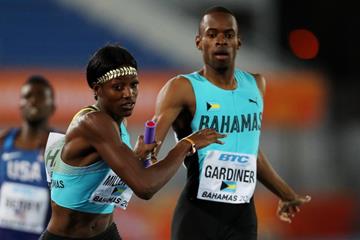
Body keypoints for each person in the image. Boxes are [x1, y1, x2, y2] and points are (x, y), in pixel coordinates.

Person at [152, 6, 312, 240]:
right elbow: (150, 142)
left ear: (239, 41)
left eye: (228, 35)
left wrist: (286, 194)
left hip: (242, 216)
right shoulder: (182, 88)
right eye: (212, 34)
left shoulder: (256, 85)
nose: (220, 41)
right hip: (199, 215)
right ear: (199, 42)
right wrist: (146, 148)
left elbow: (250, 152)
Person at [41, 44, 225, 240]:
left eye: (133, 85)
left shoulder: (118, 123)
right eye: (118, 87)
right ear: (97, 90)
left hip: (105, 233)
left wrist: (135, 156)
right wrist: (185, 145)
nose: (128, 93)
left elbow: (102, 173)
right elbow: (145, 187)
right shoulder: (94, 123)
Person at [0, 75, 56, 240]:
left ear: (52, 106)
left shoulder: (60, 146)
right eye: (27, 96)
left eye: (40, 96)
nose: (33, 101)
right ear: (20, 104)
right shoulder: (3, 142)